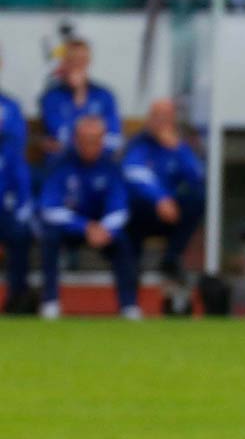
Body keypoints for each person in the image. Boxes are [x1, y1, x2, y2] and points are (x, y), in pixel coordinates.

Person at [37, 115, 138, 321]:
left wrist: (104, 228)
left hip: (103, 229)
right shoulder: (60, 164)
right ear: (75, 139)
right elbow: (49, 207)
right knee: (49, 238)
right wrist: (84, 226)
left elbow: (120, 206)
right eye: (85, 140)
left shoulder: (111, 166)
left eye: (95, 140)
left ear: (102, 141)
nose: (90, 146)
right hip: (71, 227)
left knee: (125, 243)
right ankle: (50, 302)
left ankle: (128, 306)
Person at [122, 98, 203, 317]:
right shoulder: (139, 143)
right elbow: (134, 174)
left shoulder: (180, 146)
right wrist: (160, 198)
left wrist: (178, 149)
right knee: (130, 209)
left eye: (165, 117)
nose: (160, 122)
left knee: (197, 198)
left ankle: (171, 258)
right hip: (141, 213)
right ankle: (129, 303)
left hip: (170, 215)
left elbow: (196, 176)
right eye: (156, 116)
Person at [39, 38, 120, 161]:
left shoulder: (104, 96)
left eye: (81, 60)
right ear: (64, 63)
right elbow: (60, 134)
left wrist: (80, 142)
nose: (77, 65)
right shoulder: (51, 97)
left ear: (88, 62)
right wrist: (78, 93)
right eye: (72, 60)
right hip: (63, 166)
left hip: (100, 165)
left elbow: (114, 139)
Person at [0, 51, 30, 315]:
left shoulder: (10, 107)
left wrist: (21, 207)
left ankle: (17, 299)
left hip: (3, 205)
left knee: (21, 231)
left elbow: (17, 156)